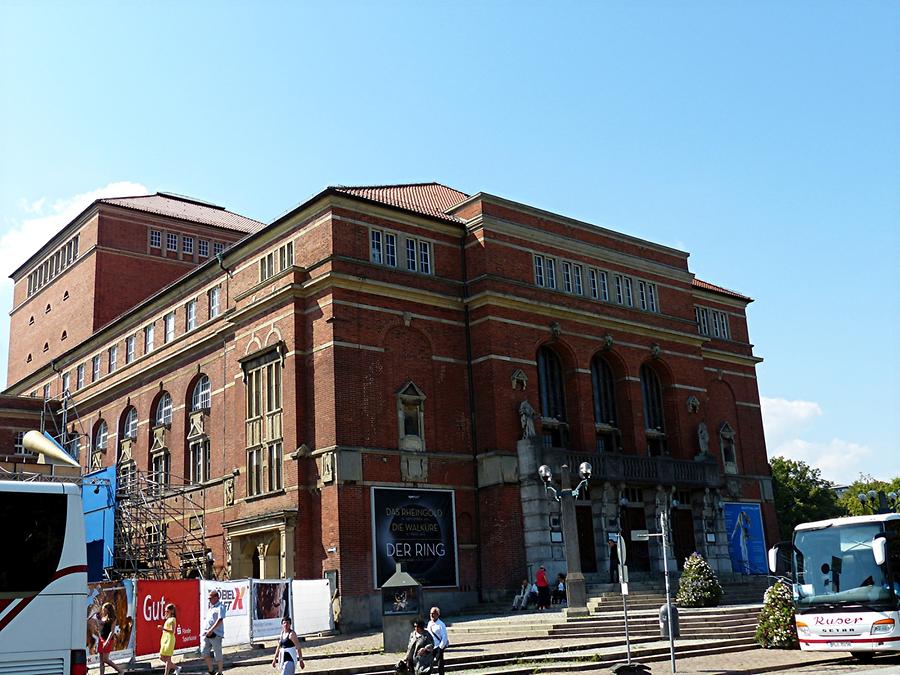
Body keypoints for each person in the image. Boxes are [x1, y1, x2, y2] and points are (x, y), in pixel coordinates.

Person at [202, 589, 227, 675]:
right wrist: (206, 630)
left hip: (216, 634)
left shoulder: (221, 607)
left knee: (217, 654)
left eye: (210, 598)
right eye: (209, 598)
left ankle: (220, 672)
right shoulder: (211, 607)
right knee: (204, 652)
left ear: (216, 597)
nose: (209, 600)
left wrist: (211, 630)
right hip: (207, 634)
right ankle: (211, 670)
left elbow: (220, 619)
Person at [97, 602, 124, 675]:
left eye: (104, 609)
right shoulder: (101, 616)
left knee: (105, 659)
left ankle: (120, 670)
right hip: (101, 638)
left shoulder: (113, 618)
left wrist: (107, 641)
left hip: (108, 639)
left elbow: (112, 631)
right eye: (102, 609)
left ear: (108, 610)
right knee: (101, 661)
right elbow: (99, 628)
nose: (102, 610)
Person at [158, 603, 182, 675]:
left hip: (170, 639)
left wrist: (163, 628)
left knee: (168, 658)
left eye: (167, 611)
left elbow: (172, 631)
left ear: (172, 611)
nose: (166, 613)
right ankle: (177, 668)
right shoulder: (168, 619)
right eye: (165, 611)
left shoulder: (173, 619)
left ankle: (166, 673)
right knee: (161, 657)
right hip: (165, 639)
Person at [426, 606, 449, 675]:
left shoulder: (441, 624)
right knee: (428, 665)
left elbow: (444, 637)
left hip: (438, 647)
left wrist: (440, 648)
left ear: (438, 614)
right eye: (431, 613)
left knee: (440, 666)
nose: (432, 615)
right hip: (430, 647)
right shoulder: (429, 623)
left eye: (433, 613)